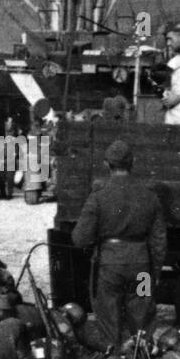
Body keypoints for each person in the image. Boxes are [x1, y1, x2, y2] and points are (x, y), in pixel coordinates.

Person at [70, 139, 167, 346]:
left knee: (109, 321)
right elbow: (159, 241)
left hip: (109, 266)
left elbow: (80, 239)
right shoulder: (150, 197)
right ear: (133, 163)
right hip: (142, 267)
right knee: (143, 320)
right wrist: (155, 273)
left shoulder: (98, 197)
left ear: (107, 164)